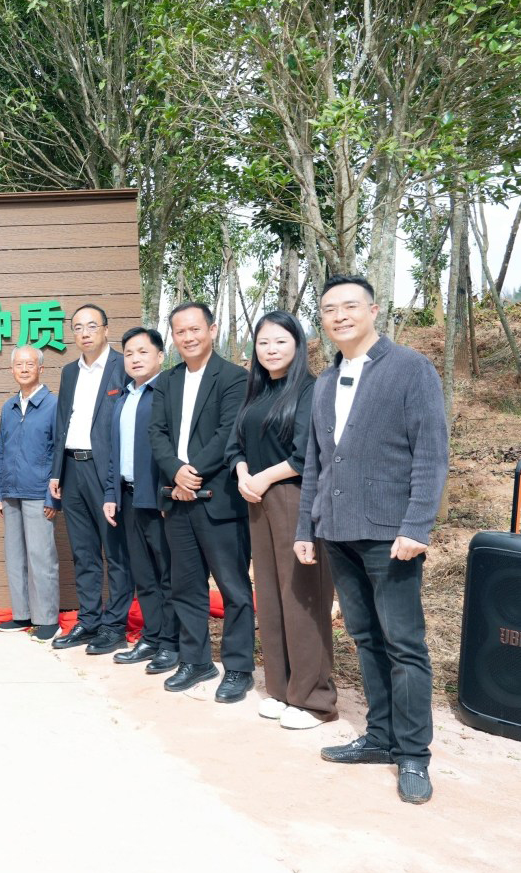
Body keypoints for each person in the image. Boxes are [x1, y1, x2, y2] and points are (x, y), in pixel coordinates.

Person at [295, 275, 447, 805]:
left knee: (405, 644)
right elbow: (315, 462)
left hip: (391, 535)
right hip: (338, 532)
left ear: (374, 310)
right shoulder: (324, 381)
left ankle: (414, 752)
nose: (339, 316)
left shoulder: (410, 369)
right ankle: (380, 737)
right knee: (364, 638)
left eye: (350, 306)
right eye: (329, 309)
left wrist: (416, 525)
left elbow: (431, 453)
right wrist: (306, 528)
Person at [226, 310, 337, 730]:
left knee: (302, 597)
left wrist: (263, 477)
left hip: (295, 497)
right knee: (270, 598)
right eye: (263, 342)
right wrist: (242, 473)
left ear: (298, 344)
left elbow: (308, 452)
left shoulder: (311, 388)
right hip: (257, 499)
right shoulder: (256, 391)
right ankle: (281, 688)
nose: (271, 350)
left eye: (280, 341)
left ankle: (315, 699)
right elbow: (235, 445)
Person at [147, 302, 254, 703]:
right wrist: (175, 471)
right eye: (180, 331)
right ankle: (196, 661)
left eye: (195, 329)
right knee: (186, 587)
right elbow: (157, 433)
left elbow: (229, 432)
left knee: (233, 588)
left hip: (219, 501)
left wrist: (191, 473)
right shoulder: (168, 380)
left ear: (211, 329)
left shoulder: (234, 377)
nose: (188, 337)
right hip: (177, 499)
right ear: (173, 336)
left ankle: (239, 667)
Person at [48, 303, 131, 654]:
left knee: (116, 552)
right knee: (83, 552)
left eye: (92, 326)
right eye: (78, 327)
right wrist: (56, 472)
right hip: (72, 468)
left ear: (106, 329)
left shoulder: (121, 367)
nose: (85, 333)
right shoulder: (69, 372)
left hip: (106, 470)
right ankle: (89, 620)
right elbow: (61, 423)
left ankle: (114, 626)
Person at [102, 327, 178, 673]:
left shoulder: (167, 392)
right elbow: (114, 452)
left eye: (143, 352)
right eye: (129, 353)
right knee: (144, 575)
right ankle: (152, 637)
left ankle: (171, 644)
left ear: (160, 356)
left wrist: (168, 493)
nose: (135, 359)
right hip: (129, 496)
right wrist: (111, 493)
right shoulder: (124, 397)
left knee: (167, 574)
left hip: (159, 500)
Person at [0, 345, 62, 642]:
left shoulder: (53, 405)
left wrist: (53, 496)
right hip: (11, 493)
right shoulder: (8, 408)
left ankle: (47, 620)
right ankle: (22, 614)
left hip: (38, 492)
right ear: (12, 369)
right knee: (15, 556)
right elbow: (1, 451)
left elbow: (59, 452)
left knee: (41, 556)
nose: (23, 369)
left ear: (40, 369)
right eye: (18, 364)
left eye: (29, 364)